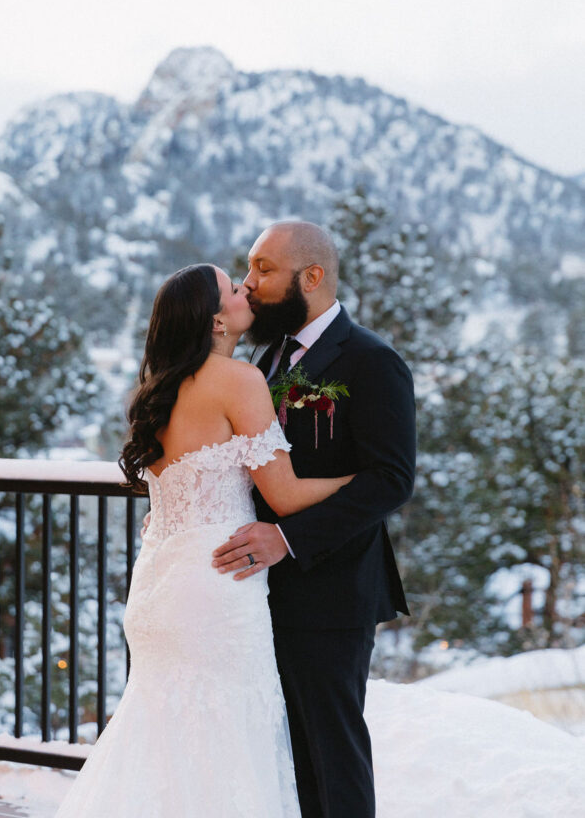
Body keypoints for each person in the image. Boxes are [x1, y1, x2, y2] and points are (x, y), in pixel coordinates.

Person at [53, 263, 355, 818]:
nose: (247, 290)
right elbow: (284, 495)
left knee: (162, 741)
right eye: (234, 288)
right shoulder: (239, 380)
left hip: (159, 587)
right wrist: (358, 477)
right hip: (219, 585)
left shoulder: (159, 388)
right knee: (227, 744)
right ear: (217, 320)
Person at [212, 221, 416, 818]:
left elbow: (391, 479)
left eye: (263, 270)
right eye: (247, 270)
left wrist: (287, 539)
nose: (248, 284)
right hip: (256, 591)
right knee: (285, 753)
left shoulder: (372, 362)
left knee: (333, 753)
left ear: (313, 277)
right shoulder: (266, 355)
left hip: (332, 589)